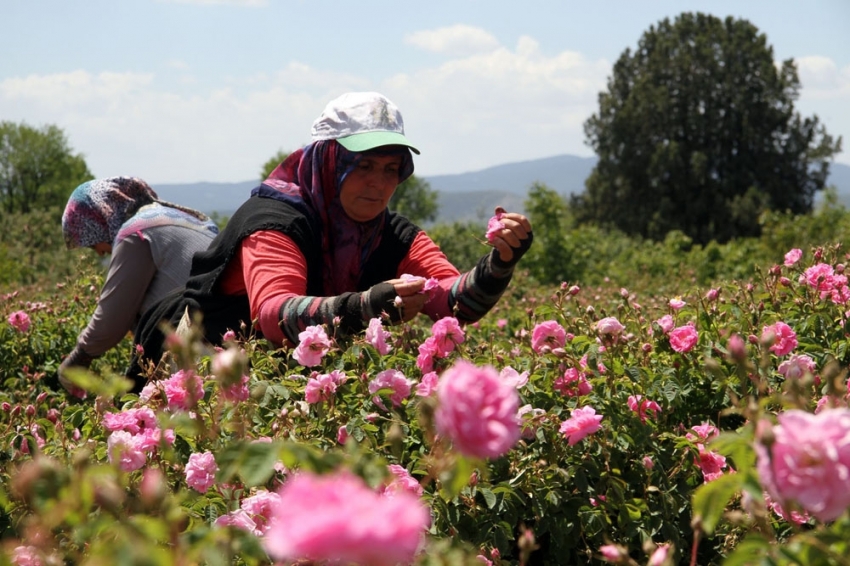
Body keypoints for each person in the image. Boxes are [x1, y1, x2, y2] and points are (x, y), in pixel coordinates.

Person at [132, 91, 532, 375]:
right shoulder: (273, 223)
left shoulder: (391, 234)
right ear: (329, 161)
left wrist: (500, 261)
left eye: (391, 169)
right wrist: (366, 306)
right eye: (363, 166)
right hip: (202, 362)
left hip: (286, 377)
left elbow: (455, 303)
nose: (379, 183)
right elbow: (274, 316)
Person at [59, 176, 219, 393]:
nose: (98, 252)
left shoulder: (137, 231)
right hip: (229, 343)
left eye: (91, 241)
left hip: (197, 358)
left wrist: (78, 357)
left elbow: (110, 321)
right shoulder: (194, 219)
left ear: (101, 220)